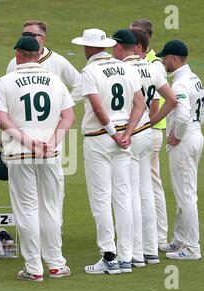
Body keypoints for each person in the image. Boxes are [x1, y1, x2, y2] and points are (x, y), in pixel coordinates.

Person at [0, 36, 75, 281]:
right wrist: (50, 144)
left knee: (26, 210)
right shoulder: (56, 81)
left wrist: (28, 141)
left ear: (18, 54)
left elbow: (1, 119)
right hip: (51, 153)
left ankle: (34, 268)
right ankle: (56, 264)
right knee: (50, 207)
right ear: (38, 55)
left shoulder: (5, 81)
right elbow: (68, 117)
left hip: (19, 153)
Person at [71, 28, 145, 274]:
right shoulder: (125, 67)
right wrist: (127, 133)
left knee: (101, 199)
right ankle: (126, 257)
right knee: (122, 198)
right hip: (124, 138)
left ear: (89, 48)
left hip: (99, 139)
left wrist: (115, 134)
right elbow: (140, 104)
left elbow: (99, 109)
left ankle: (109, 257)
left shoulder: (89, 71)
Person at [111, 29, 177, 267]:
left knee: (128, 194)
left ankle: (135, 254)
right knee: (146, 191)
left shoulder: (123, 70)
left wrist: (132, 127)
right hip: (148, 135)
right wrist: (152, 120)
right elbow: (172, 100)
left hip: (131, 135)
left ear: (121, 47)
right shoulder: (152, 67)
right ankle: (150, 250)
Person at [6, 21, 82, 225]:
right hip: (22, 136)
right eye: (25, 34)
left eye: (33, 34)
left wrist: (61, 110)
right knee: (29, 194)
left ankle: (54, 229)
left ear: (43, 38)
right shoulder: (14, 62)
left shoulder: (58, 62)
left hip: (52, 134)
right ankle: (39, 234)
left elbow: (80, 83)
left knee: (52, 189)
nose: (29, 37)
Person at [154, 40, 204, 259]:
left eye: (165, 57)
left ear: (174, 59)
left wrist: (177, 136)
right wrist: (194, 129)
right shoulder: (194, 79)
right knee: (182, 191)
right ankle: (180, 239)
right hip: (194, 137)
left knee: (186, 194)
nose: (163, 61)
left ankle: (192, 248)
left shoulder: (179, 84)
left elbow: (183, 114)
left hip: (185, 141)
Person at [130, 19, 170, 247]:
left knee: (150, 185)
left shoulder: (152, 63)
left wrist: (150, 123)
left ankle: (158, 237)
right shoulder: (152, 62)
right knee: (146, 185)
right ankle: (150, 236)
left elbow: (157, 103)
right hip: (148, 129)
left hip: (149, 129)